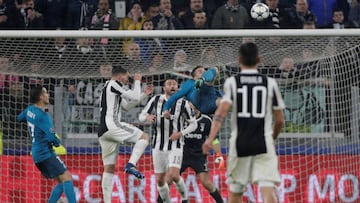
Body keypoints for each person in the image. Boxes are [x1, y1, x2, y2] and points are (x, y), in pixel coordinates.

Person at [202, 42, 285, 203]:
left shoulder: (233, 83)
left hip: (240, 142)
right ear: (259, 60)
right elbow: (280, 120)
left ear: (239, 59)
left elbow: (221, 113)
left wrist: (210, 139)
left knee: (236, 192)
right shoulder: (270, 83)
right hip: (263, 141)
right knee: (267, 188)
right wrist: (272, 138)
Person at [98, 66, 153, 203]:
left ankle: (107, 201)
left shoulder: (109, 88)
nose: (128, 79)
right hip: (112, 125)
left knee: (109, 168)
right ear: (120, 76)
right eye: (127, 77)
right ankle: (131, 164)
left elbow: (127, 106)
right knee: (144, 137)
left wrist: (143, 95)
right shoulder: (113, 84)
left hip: (103, 131)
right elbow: (133, 95)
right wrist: (137, 81)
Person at [139, 78, 198, 203]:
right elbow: (141, 115)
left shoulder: (184, 104)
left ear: (178, 88)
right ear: (164, 88)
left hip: (176, 145)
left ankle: (185, 199)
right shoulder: (155, 100)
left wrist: (181, 133)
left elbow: (194, 125)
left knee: (173, 174)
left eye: (174, 84)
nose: (172, 86)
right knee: (160, 180)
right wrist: (147, 117)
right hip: (158, 146)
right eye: (169, 84)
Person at [17, 85, 76, 203]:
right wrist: (58, 142)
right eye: (46, 93)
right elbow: (52, 137)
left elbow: (19, 118)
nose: (48, 95)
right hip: (45, 153)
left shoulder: (29, 110)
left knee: (61, 181)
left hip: (36, 154)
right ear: (40, 97)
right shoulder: (43, 116)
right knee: (67, 178)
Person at [180, 105, 224, 203]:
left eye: (196, 104)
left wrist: (218, 154)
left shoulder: (207, 121)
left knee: (206, 182)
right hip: (182, 154)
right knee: (169, 179)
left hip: (199, 156)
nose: (193, 107)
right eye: (192, 104)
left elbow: (214, 139)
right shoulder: (181, 118)